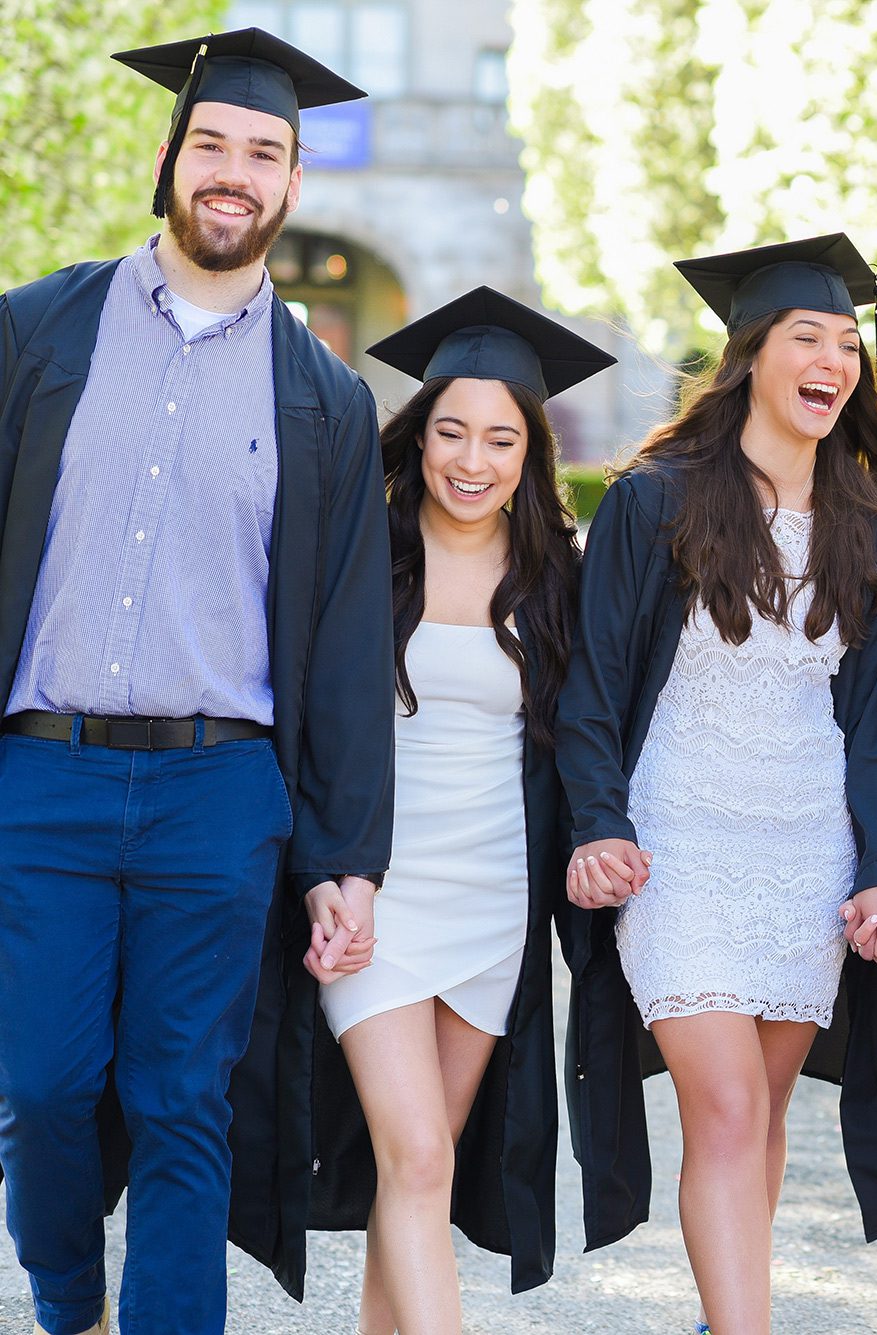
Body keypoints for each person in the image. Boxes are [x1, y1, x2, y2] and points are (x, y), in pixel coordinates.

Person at [0, 28, 391, 1335]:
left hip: (219, 789)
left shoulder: (324, 397)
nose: (235, 172)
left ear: (291, 184)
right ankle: (68, 1302)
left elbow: (341, 638)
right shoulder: (33, 332)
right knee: (46, 1087)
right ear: (170, 158)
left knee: (183, 1101)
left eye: (265, 153)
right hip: (40, 772)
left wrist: (346, 853)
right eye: (212, 144)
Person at [555, 234, 877, 1335]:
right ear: (751, 353)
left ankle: (729, 1316)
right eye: (806, 336)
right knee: (719, 1107)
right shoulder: (655, 502)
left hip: (809, 844)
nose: (832, 360)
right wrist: (597, 823)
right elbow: (593, 682)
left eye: (848, 344)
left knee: (757, 1113)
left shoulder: (871, 530)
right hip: (681, 840)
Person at [228, 289, 616, 1328]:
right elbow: (304, 724)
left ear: (532, 452)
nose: (473, 460)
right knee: (414, 1150)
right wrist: (321, 875)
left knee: (422, 1177)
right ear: (419, 432)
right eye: (452, 431)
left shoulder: (558, 580)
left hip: (493, 900)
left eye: (501, 439)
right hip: (376, 892)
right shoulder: (363, 554)